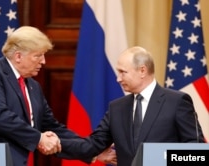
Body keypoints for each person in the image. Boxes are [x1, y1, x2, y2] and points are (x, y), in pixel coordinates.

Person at [0, 26, 116, 166]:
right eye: (38, 56)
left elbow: (51, 127)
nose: (43, 61)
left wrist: (91, 150)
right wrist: (39, 138)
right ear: (18, 56)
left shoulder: (33, 86)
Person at [58, 46, 205, 166]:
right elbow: (93, 144)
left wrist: (160, 157)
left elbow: (196, 151)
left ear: (142, 70)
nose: (118, 78)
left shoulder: (177, 101)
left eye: (123, 72)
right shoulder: (117, 108)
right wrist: (53, 144)